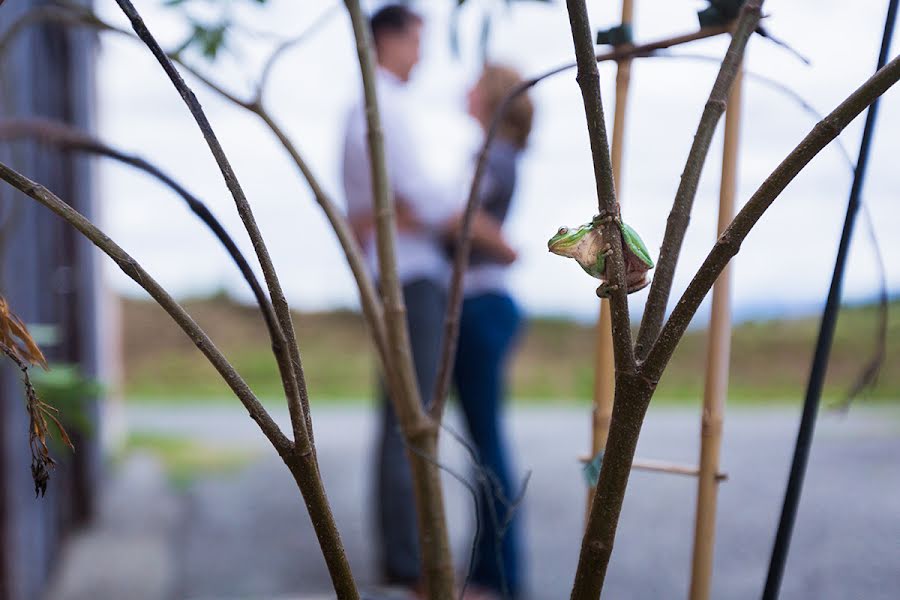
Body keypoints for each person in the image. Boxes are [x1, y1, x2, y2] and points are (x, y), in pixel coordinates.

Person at [341, 5, 515, 595]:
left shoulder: (380, 104)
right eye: (418, 40)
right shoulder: (382, 103)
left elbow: (416, 202)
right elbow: (426, 197)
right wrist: (490, 235)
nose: (423, 54)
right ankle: (413, 569)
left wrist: (423, 209)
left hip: (408, 273)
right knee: (408, 422)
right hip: (410, 280)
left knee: (405, 419)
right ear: (389, 39)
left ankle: (408, 562)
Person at [448, 64, 534, 600]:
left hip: (481, 305)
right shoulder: (494, 153)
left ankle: (497, 578)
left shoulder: (493, 155)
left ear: (493, 96)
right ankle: (488, 574)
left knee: (487, 448)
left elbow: (467, 220)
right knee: (483, 446)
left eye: (476, 83)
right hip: (484, 305)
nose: (466, 89)